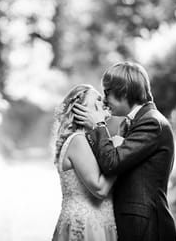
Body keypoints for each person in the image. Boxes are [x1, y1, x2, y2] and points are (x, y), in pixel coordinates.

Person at [73, 62, 176, 241]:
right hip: (134, 225)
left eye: (107, 93)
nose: (104, 100)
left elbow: (112, 163)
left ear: (124, 92)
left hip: (146, 228)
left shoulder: (152, 123)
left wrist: (98, 125)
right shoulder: (131, 122)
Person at [51, 84, 125, 241]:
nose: (103, 103)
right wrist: (118, 153)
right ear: (79, 110)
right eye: (97, 100)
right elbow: (99, 189)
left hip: (100, 224)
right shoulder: (77, 140)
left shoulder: (90, 140)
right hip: (85, 228)